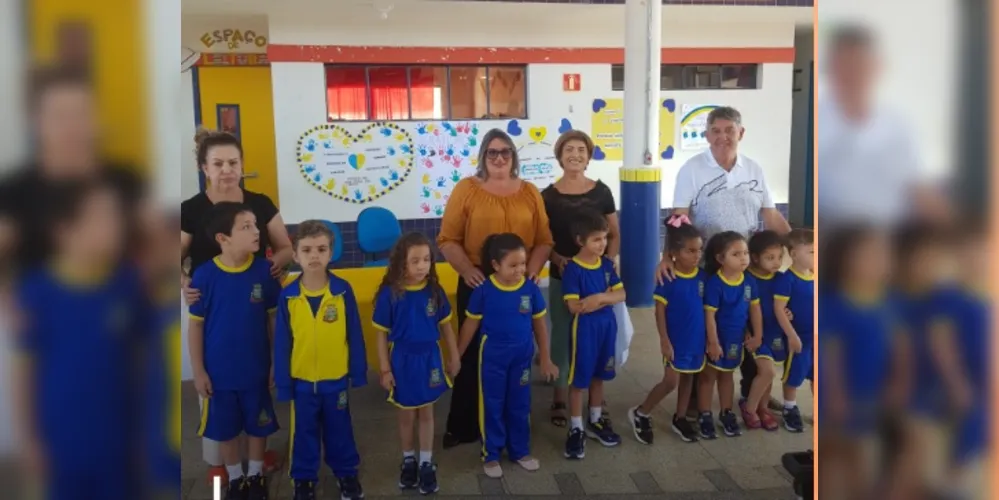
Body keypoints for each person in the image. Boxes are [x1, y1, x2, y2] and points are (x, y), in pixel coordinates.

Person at [11, 179, 146, 499]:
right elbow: (24, 371)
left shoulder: (127, 284)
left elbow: (142, 361)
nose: (115, 226)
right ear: (65, 230)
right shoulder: (36, 292)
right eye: (102, 217)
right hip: (62, 446)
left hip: (118, 443)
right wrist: (30, 441)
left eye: (117, 216)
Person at [655, 106, 790, 413]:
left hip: (745, 264)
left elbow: (770, 215)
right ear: (706, 135)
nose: (723, 137)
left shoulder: (754, 169)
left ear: (740, 133)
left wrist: (798, 247)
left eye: (729, 130)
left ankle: (754, 392)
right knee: (704, 328)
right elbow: (679, 217)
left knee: (748, 325)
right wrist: (667, 257)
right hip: (705, 267)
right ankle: (693, 401)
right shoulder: (692, 168)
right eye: (716, 130)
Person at [180, 129, 292, 479]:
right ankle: (223, 469)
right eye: (218, 163)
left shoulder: (258, 204)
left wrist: (273, 269)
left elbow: (285, 247)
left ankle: (257, 466)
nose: (226, 169)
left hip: (252, 303)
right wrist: (183, 281)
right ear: (204, 168)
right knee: (217, 396)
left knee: (256, 391)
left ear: (242, 165)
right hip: (208, 304)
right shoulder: (191, 209)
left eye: (233, 162)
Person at [436, 129, 554, 448]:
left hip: (518, 285)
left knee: (514, 351)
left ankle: (512, 425)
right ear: (483, 157)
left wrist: (531, 271)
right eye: (492, 152)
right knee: (474, 351)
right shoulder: (467, 190)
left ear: (514, 157)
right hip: (478, 283)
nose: (499, 158)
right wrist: (467, 269)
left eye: (505, 152)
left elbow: (544, 240)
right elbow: (447, 239)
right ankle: (464, 424)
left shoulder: (530, 192)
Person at [187, 202, 281, 499]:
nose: (256, 231)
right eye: (246, 227)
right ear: (222, 238)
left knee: (258, 424)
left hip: (256, 367)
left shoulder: (265, 271)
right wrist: (198, 371)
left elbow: (272, 320)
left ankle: (255, 475)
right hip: (219, 373)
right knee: (226, 430)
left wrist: (275, 363)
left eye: (256, 224)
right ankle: (235, 478)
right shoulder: (204, 276)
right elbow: (196, 327)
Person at [272, 221, 367, 500]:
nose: (314, 255)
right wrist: (284, 383)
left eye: (321, 249)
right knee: (303, 434)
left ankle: (347, 473)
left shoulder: (342, 290)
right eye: (307, 249)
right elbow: (282, 343)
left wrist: (358, 372)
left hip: (335, 379)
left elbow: (354, 334)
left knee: (340, 430)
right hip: (302, 382)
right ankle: (303, 479)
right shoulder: (288, 295)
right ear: (295, 254)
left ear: (330, 253)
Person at [455, 233, 558, 478]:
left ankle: (520, 450)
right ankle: (491, 454)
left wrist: (545, 357)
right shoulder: (484, 290)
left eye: (523, 264)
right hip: (493, 359)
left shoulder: (530, 289)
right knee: (493, 404)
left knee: (520, 405)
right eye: (513, 265)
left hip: (521, 358)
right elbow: (470, 325)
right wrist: (456, 356)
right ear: (495, 265)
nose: (519, 270)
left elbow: (540, 324)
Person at [818, 225, 906, 500]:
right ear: (844, 258)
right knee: (835, 455)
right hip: (840, 395)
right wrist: (835, 396)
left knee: (863, 455)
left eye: (882, 254)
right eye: (867, 255)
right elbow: (830, 355)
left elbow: (901, 349)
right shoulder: (834, 303)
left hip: (873, 394)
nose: (877, 261)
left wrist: (899, 383)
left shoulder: (891, 301)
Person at [372, 232, 460, 495]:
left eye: (426, 260)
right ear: (401, 263)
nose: (422, 266)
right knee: (406, 414)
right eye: (415, 261)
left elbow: (446, 328)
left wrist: (454, 356)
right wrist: (385, 369)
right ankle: (409, 459)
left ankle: (425, 463)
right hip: (402, 360)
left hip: (429, 359)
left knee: (427, 412)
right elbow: (381, 334)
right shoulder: (390, 294)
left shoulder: (435, 291)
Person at [541, 129, 619, 428]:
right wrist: (557, 259)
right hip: (564, 277)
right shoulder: (547, 196)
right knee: (563, 335)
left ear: (589, 156)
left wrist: (608, 266)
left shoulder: (602, 192)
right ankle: (560, 395)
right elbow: (542, 239)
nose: (575, 154)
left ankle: (596, 398)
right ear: (560, 156)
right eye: (569, 149)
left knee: (597, 337)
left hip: (598, 281)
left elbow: (614, 234)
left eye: (581, 149)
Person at [627, 214, 705, 445]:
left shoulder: (703, 278)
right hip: (675, 340)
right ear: (674, 253)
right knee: (671, 381)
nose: (697, 255)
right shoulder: (667, 279)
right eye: (690, 251)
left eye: (699, 250)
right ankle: (641, 412)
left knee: (689, 377)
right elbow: (659, 311)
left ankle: (680, 417)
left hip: (697, 339)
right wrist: (664, 340)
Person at [559, 211, 626, 459]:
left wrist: (598, 298)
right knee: (579, 380)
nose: (603, 244)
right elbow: (574, 306)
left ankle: (595, 420)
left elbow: (621, 295)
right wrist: (605, 298)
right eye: (596, 239)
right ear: (580, 241)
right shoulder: (573, 270)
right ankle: (576, 428)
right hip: (584, 331)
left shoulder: (608, 266)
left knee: (599, 376)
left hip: (607, 328)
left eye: (605, 238)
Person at [698, 231, 761, 439]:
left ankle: (726, 413)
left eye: (745, 253)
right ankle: (705, 415)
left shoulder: (749, 281)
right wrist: (713, 342)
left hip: (736, 340)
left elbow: (754, 310)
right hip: (717, 339)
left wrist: (757, 335)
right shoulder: (715, 284)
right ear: (720, 259)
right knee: (708, 377)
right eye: (736, 254)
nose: (743, 257)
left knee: (728, 376)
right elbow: (709, 316)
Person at [737, 230, 787, 432]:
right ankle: (749, 408)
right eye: (770, 258)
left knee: (769, 373)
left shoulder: (781, 278)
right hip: (755, 334)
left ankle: (763, 409)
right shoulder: (746, 278)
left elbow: (786, 302)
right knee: (767, 371)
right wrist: (744, 331)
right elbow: (738, 309)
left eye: (780, 257)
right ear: (755, 258)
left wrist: (788, 313)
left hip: (774, 333)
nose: (776, 262)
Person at [773, 229, 815, 433]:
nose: (816, 256)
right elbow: (779, 309)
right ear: (794, 254)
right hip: (799, 339)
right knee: (794, 375)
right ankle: (789, 407)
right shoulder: (787, 280)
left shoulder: (816, 276)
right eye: (811, 252)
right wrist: (791, 335)